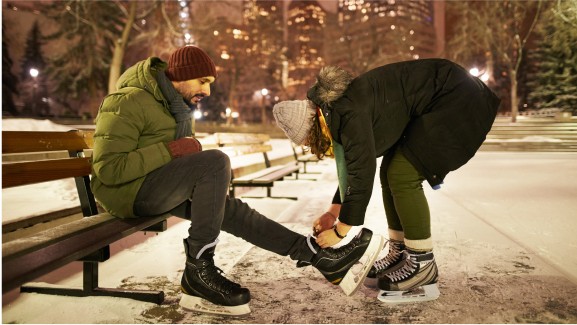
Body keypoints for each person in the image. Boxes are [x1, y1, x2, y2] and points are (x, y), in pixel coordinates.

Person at [90, 45, 384, 315]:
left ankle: (316, 256)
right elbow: (109, 169)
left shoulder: (177, 107)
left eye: (210, 83)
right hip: (126, 194)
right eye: (202, 81)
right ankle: (198, 272)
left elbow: (175, 160)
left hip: (156, 186)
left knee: (231, 210)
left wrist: (176, 157)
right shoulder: (127, 101)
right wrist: (171, 150)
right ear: (180, 75)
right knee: (216, 162)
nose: (206, 90)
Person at [273, 59, 500, 303]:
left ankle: (422, 263)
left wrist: (341, 231)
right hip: (445, 97)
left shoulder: (347, 112)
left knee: (402, 173)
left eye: (309, 141)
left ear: (314, 126)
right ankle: (401, 251)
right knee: (391, 171)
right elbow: (353, 164)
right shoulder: (336, 109)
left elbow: (361, 170)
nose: (312, 146)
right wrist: (333, 211)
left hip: (457, 100)